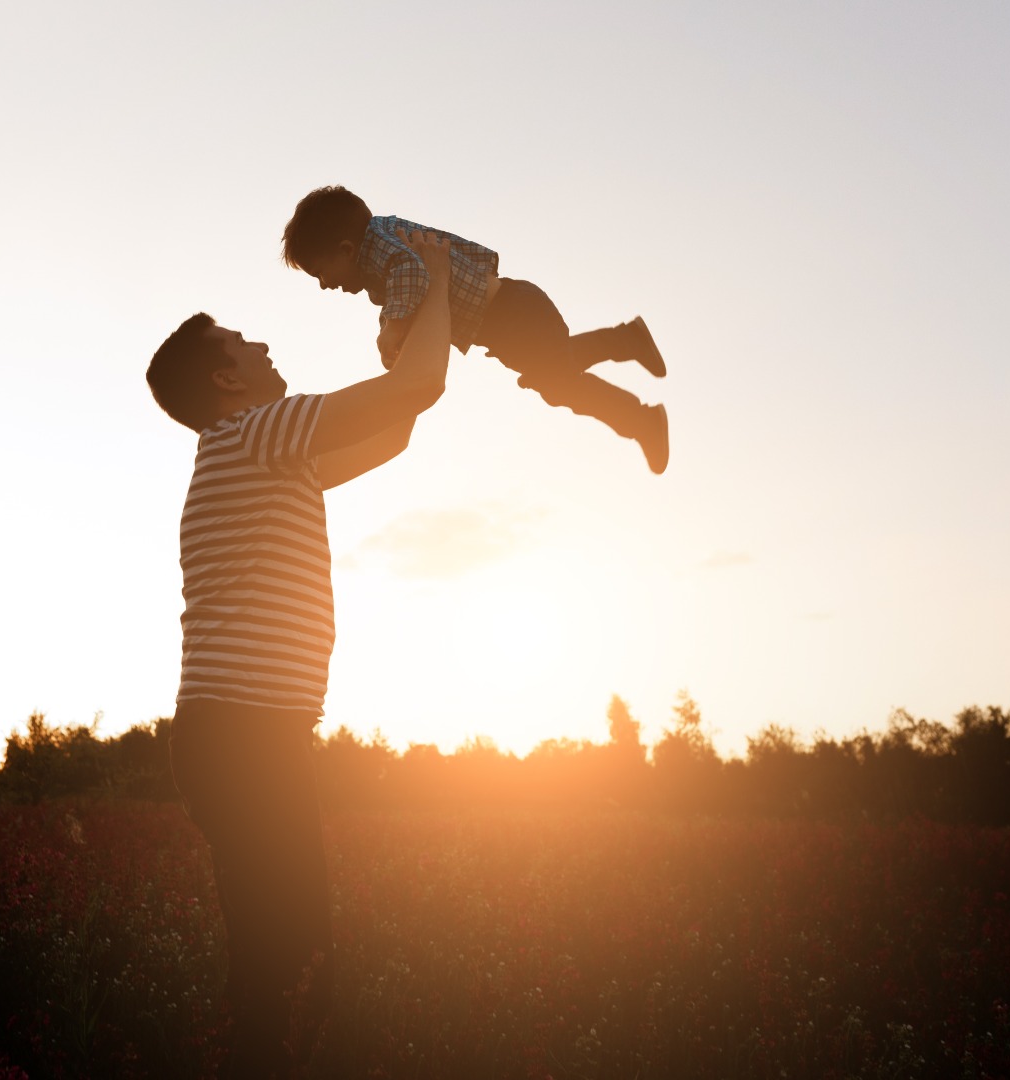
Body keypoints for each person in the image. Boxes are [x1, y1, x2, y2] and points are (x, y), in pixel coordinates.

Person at [146, 232, 455, 1078]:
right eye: (241, 342)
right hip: (242, 736)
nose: (261, 344)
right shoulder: (256, 434)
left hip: (254, 736)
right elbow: (418, 389)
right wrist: (435, 282)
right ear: (225, 380)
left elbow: (395, 427)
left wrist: (408, 333)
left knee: (292, 955)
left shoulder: (267, 452)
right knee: (286, 961)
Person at [281, 185, 671, 474]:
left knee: (556, 383)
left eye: (320, 272)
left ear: (346, 250)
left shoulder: (383, 248)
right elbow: (404, 288)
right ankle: (627, 342)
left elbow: (412, 272)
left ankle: (642, 418)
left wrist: (392, 330)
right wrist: (391, 328)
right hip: (509, 318)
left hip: (513, 313)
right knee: (553, 372)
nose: (324, 284)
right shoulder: (382, 251)